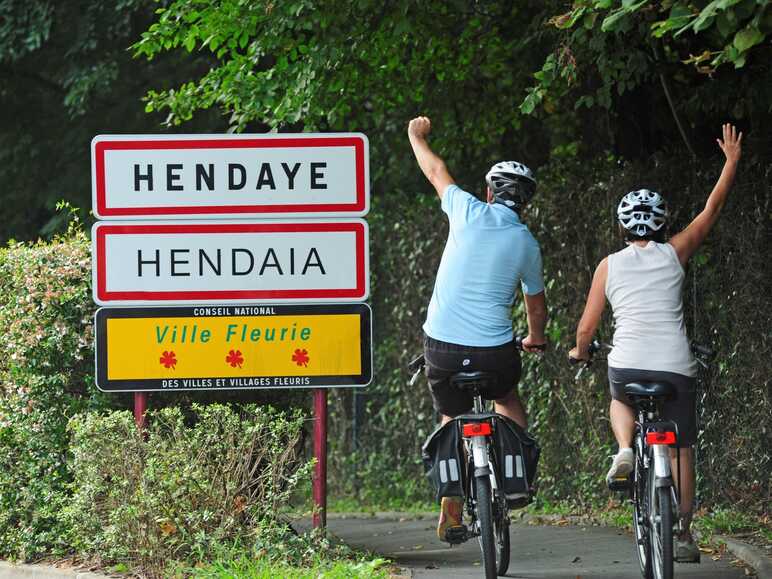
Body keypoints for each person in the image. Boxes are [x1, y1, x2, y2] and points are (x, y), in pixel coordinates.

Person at [569, 123, 742, 563]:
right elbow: (712, 209)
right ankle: (683, 532)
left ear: (623, 226)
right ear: (662, 223)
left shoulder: (607, 266)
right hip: (674, 365)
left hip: (627, 363)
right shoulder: (676, 251)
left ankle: (625, 449)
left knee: (619, 394)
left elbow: (587, 328)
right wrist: (732, 162)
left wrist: (580, 351)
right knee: (681, 447)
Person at [407, 116, 548, 542]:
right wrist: (535, 339)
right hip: (495, 353)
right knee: (506, 398)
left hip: (444, 349)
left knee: (451, 412)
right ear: (524, 204)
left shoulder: (465, 208)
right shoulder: (526, 243)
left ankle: (450, 506)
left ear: (489, 192)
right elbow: (535, 306)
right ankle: (516, 476)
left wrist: (416, 136)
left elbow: (434, 169)